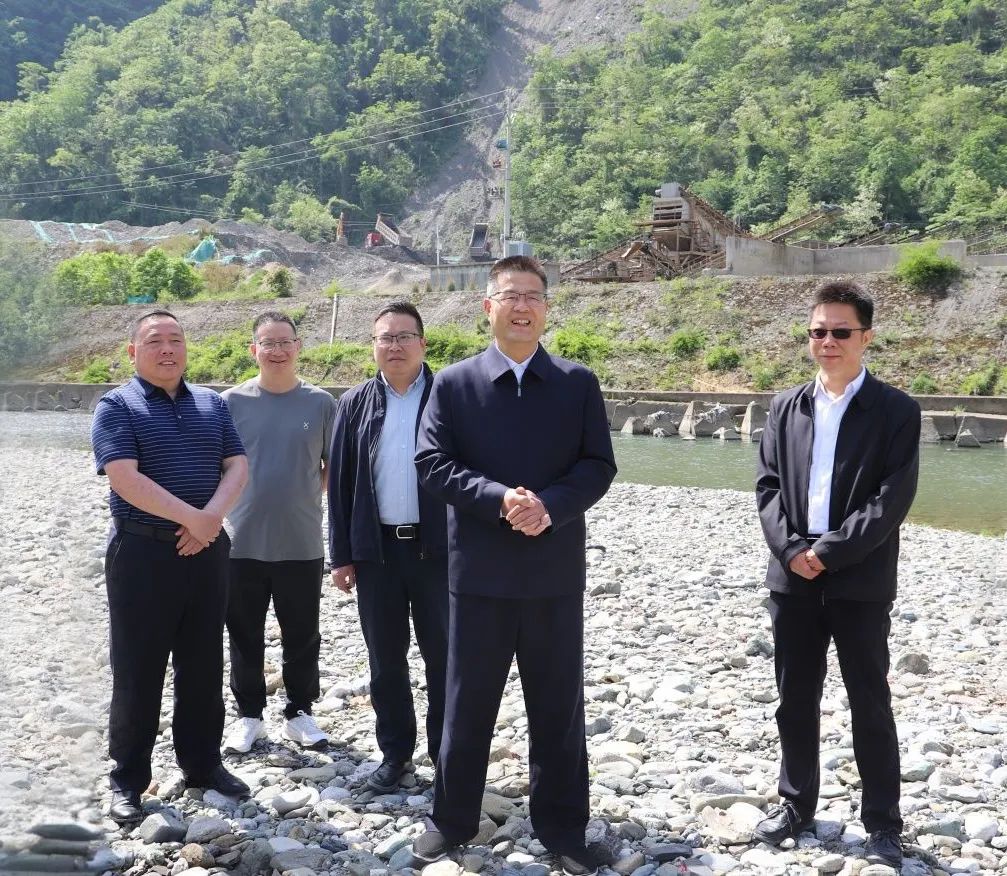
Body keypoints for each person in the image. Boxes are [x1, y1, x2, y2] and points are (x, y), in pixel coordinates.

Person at [411, 256, 617, 876]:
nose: (521, 306)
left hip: (554, 573)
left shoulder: (576, 383)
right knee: (466, 703)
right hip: (478, 574)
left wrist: (549, 507)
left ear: (546, 309)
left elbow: (598, 465)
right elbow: (432, 463)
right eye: (510, 295)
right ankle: (452, 820)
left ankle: (564, 829)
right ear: (488, 307)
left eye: (533, 296)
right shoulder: (454, 384)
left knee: (558, 708)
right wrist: (500, 499)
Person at [753, 280, 920, 869]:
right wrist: (791, 550)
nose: (828, 341)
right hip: (792, 577)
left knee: (869, 700)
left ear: (865, 337)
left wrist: (829, 551)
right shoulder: (786, 406)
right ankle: (796, 804)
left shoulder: (896, 410)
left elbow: (891, 499)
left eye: (840, 332)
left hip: (859, 579)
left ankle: (883, 823)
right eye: (818, 331)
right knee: (794, 697)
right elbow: (768, 486)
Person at [90, 310, 250, 825]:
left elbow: (237, 465)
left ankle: (203, 765)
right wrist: (193, 519)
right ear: (132, 352)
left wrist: (211, 520)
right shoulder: (117, 405)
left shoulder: (211, 403)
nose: (167, 349)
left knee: (203, 663)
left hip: (207, 551)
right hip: (142, 552)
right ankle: (127, 779)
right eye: (154, 341)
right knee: (138, 669)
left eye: (176, 340)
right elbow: (124, 477)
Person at [327, 301, 449, 793]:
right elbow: (340, 484)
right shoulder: (354, 403)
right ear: (373, 346)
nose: (394, 346)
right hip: (377, 552)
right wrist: (341, 555)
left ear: (423, 343)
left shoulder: (449, 395)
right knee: (385, 659)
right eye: (385, 337)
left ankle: (447, 756)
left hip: (439, 551)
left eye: (404, 336)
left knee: (446, 657)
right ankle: (395, 754)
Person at [220, 311, 337, 753]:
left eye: (285, 342)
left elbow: (332, 466)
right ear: (254, 350)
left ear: (298, 346)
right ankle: (249, 716)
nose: (277, 350)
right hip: (240, 541)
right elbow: (217, 466)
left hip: (301, 540)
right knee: (243, 633)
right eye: (268, 343)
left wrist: (303, 492)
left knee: (303, 633)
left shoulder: (321, 403)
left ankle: (299, 712)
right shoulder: (230, 402)